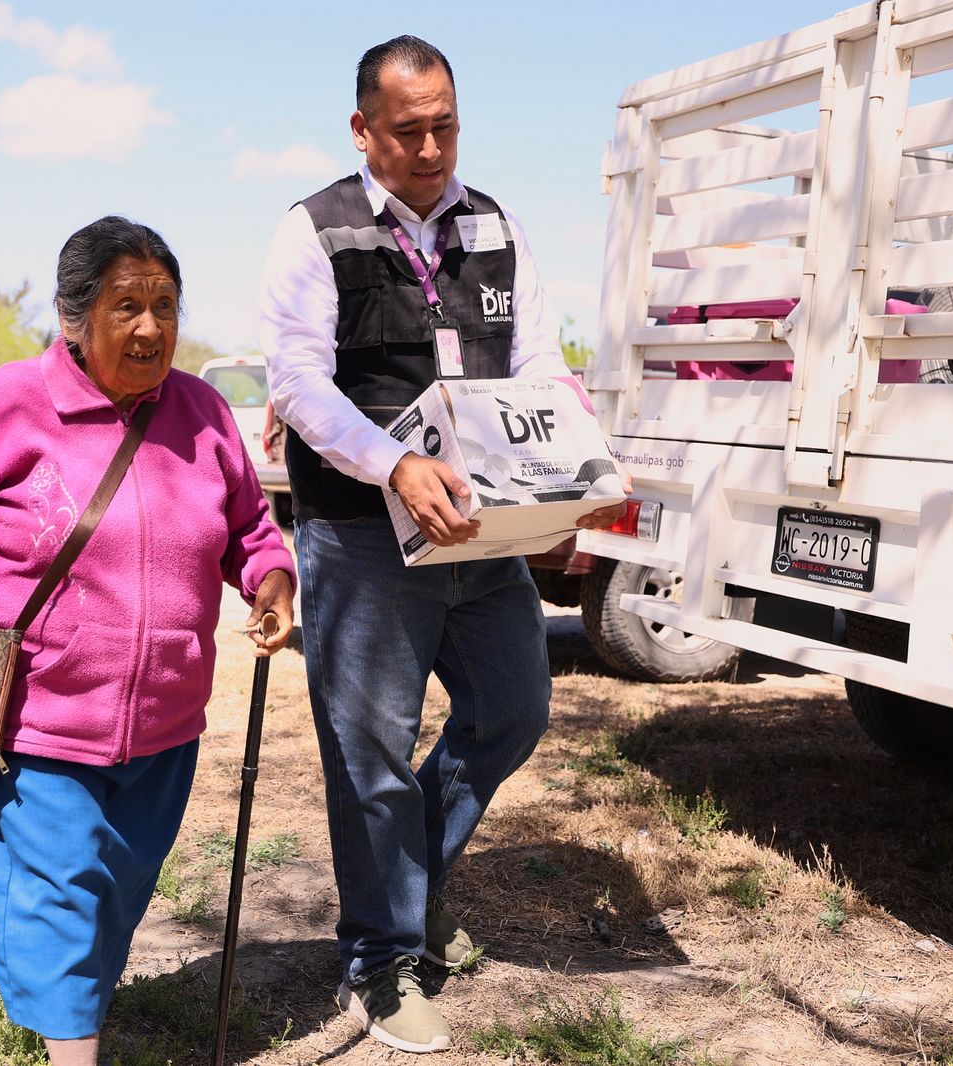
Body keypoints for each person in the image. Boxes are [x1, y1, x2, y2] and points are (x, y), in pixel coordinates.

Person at [258, 37, 628, 1052]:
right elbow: (294, 383)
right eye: (408, 130)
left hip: (486, 533)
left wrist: (574, 480)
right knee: (368, 756)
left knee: (512, 710)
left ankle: (399, 887)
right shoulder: (314, 230)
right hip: (362, 536)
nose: (430, 148)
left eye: (445, 126)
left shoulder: (495, 226)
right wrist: (392, 465)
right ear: (363, 128)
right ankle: (383, 964)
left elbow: (542, 368)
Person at [0, 216, 296, 1066]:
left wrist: (270, 578)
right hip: (38, 724)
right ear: (73, 318)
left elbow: (250, 526)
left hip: (166, 728)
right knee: (63, 894)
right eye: (126, 304)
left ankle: (71, 1007)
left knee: (116, 893)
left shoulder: (203, 413)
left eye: (165, 304)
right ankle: (73, 1048)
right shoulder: (10, 404)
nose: (149, 326)